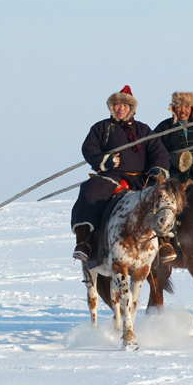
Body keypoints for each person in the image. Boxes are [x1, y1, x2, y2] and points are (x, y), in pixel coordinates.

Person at [71, 85, 172, 264]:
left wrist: (158, 168)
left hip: (141, 178)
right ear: (112, 107)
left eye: (125, 106)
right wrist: (105, 160)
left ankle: (165, 243)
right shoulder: (101, 127)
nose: (121, 109)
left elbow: (159, 151)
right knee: (90, 191)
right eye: (117, 105)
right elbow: (89, 148)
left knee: (164, 198)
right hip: (112, 177)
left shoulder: (143, 130)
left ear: (131, 108)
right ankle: (84, 242)